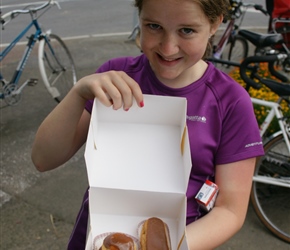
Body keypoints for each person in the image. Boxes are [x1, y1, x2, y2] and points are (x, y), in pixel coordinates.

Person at [31, 0, 264, 249]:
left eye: (187, 30)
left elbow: (229, 210)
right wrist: (78, 94)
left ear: (215, 23)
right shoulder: (116, 78)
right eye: (154, 26)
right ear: (139, 17)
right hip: (95, 238)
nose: (168, 47)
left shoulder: (230, 102)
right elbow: (44, 159)